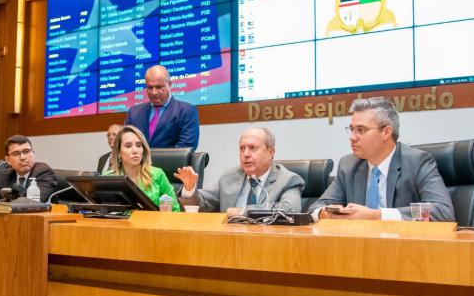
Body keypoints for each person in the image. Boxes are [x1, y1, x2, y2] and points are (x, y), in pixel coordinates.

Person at [309, 97, 454, 221]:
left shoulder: (417, 162)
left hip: (404, 248)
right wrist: (325, 213)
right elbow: (315, 208)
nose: (352, 137)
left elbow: (443, 212)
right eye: (351, 129)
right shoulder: (349, 165)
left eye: (361, 130)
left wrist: (377, 216)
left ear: (386, 132)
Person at [176, 127, 305, 214]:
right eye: (242, 148)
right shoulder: (230, 176)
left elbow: (290, 210)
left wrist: (243, 211)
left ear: (270, 152)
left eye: (253, 148)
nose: (246, 154)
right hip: (229, 244)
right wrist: (189, 188)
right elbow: (202, 203)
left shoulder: (288, 180)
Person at [106, 125, 180, 211]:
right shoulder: (109, 178)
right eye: (128, 146)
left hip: (153, 223)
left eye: (138, 145)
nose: (135, 150)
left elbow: (175, 210)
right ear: (118, 152)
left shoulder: (157, 174)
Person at [124, 65, 199, 149]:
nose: (154, 92)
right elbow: (126, 144)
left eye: (159, 87)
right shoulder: (134, 113)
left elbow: (186, 147)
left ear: (170, 84)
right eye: (150, 87)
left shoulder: (186, 111)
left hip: (171, 162)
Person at [0, 135, 57, 204]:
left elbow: (33, 201)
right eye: (16, 154)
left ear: (33, 153)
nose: (23, 157)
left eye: (26, 151)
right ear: (7, 160)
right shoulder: (5, 175)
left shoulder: (43, 171)